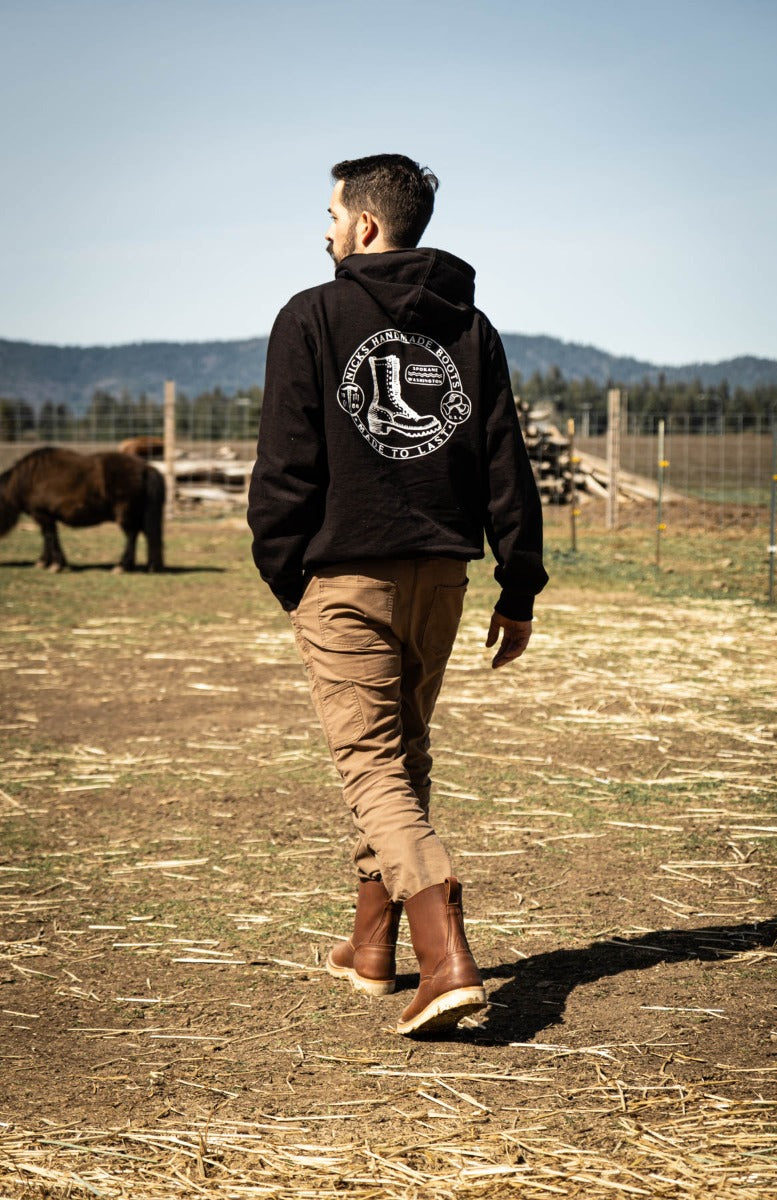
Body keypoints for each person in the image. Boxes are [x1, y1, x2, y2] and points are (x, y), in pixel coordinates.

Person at [247, 154, 547, 1036]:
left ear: (366, 227)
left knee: (372, 766)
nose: (326, 229)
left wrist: (288, 573)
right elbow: (505, 464)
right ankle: (371, 946)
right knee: (403, 752)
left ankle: (447, 956)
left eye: (333, 213)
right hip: (443, 578)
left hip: (346, 577)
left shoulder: (311, 315)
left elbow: (284, 465)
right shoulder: (471, 325)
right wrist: (517, 582)